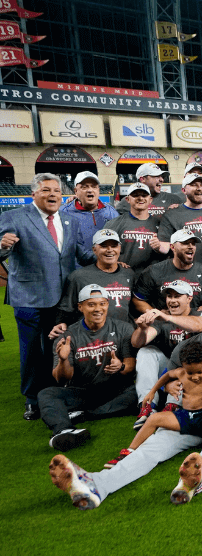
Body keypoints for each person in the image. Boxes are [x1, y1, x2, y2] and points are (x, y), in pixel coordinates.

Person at [48, 293, 202, 509]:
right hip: (188, 415)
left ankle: (193, 480)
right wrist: (169, 386)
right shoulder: (187, 348)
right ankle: (97, 485)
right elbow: (169, 378)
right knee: (150, 448)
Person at [0, 172, 95, 420]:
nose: (52, 194)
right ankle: (32, 398)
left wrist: (110, 258)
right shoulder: (13, 216)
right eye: (46, 190)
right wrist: (2, 245)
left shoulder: (69, 221)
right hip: (28, 297)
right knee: (32, 351)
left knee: (58, 347)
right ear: (33, 194)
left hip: (62, 299)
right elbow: (1, 250)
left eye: (56, 191)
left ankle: (56, 392)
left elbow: (81, 255)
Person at [110, 341, 202, 467]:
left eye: (200, 372)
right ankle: (129, 451)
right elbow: (167, 375)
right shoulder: (181, 373)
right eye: (190, 373)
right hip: (186, 418)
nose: (195, 377)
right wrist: (153, 391)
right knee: (153, 418)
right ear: (183, 367)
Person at [40, 284, 137, 451]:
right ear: (80, 307)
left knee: (139, 393)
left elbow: (130, 366)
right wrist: (63, 360)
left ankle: (84, 415)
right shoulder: (67, 336)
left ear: (107, 304)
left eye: (102, 303)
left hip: (115, 389)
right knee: (46, 394)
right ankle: (63, 431)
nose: (97, 309)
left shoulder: (124, 328)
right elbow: (61, 378)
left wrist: (120, 366)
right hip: (83, 391)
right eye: (91, 304)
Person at [129, 280, 201, 429]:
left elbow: (199, 325)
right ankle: (148, 407)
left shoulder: (198, 315)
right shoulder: (161, 320)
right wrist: (142, 329)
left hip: (191, 370)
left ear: (189, 298)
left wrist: (167, 317)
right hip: (168, 367)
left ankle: (172, 406)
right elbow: (137, 343)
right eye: (169, 296)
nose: (172, 300)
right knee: (145, 352)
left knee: (190, 360)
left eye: (177, 296)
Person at [54, 229, 135, 327]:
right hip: (91, 336)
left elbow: (133, 307)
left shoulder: (129, 273)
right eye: (103, 246)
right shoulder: (78, 277)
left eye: (114, 246)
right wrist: (61, 324)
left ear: (120, 248)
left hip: (122, 335)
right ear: (94, 249)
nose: (110, 250)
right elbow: (65, 310)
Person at [132, 230, 202, 313]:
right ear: (172, 247)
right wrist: (155, 314)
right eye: (185, 243)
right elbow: (137, 300)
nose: (191, 246)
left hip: (193, 324)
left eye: (193, 243)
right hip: (165, 325)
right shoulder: (154, 271)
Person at [157, 172, 202, 264]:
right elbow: (165, 245)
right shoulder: (172, 214)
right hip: (184, 271)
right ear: (184, 190)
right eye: (194, 185)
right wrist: (156, 246)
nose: (199, 188)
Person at [61, 171, 118, 265]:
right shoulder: (64, 212)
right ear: (76, 191)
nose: (90, 190)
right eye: (84, 187)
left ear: (98, 190)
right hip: (76, 271)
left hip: (104, 268)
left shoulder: (111, 212)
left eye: (94, 186)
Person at [105, 183, 161, 272]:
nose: (140, 198)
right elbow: (102, 249)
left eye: (144, 195)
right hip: (123, 275)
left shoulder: (161, 224)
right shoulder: (115, 223)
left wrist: (160, 246)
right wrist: (114, 262)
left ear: (150, 199)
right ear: (127, 199)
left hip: (152, 277)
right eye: (135, 195)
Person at [114, 162, 181, 217]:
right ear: (142, 179)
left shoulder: (174, 199)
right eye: (156, 176)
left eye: (162, 176)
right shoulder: (127, 202)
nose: (162, 179)